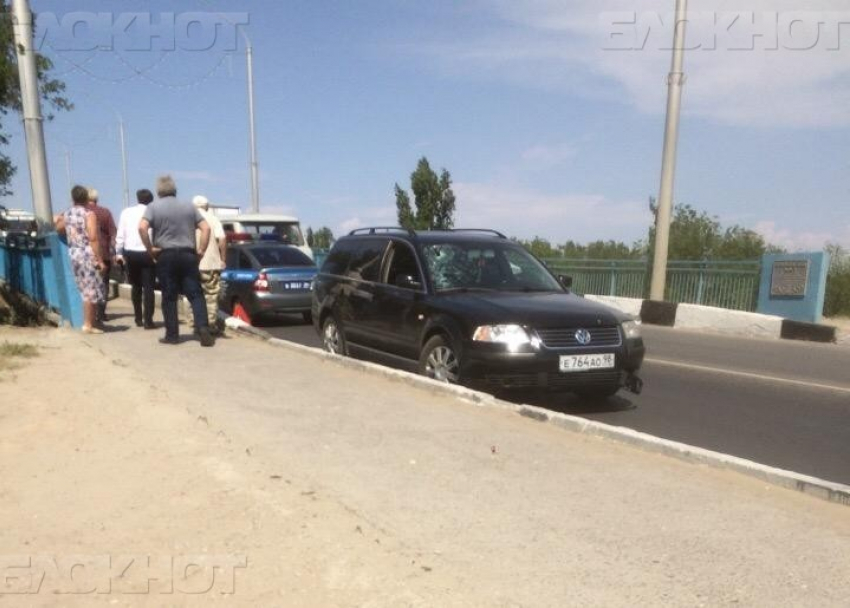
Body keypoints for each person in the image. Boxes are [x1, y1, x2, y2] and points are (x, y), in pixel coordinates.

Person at [138, 175, 215, 347]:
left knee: (169, 295)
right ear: (175, 189)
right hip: (188, 254)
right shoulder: (189, 206)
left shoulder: (152, 207)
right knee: (195, 294)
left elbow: (142, 227)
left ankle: (172, 335)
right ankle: (203, 329)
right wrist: (201, 251)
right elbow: (206, 228)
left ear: (158, 191)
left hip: (165, 255)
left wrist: (150, 249)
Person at [53, 185, 107, 334]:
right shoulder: (89, 214)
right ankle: (88, 324)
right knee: (91, 289)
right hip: (87, 254)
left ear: (72, 198)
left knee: (85, 288)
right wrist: (100, 260)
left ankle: (90, 322)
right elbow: (93, 237)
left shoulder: (68, 214)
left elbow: (58, 228)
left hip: (74, 254)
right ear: (86, 199)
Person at [116, 189, 156, 328]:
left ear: (137, 198)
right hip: (148, 252)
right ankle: (148, 321)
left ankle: (138, 318)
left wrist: (119, 253)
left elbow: (120, 234)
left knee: (136, 286)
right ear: (151, 200)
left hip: (130, 252)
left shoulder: (126, 212)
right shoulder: (153, 212)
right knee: (149, 287)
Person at [192, 195, 227, 334]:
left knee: (193, 295)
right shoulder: (213, 219)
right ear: (207, 206)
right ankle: (210, 326)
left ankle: (195, 325)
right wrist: (223, 259)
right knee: (211, 296)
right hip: (211, 263)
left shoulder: (189, 219)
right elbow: (222, 240)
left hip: (192, 264)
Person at [87, 188, 116, 327]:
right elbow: (112, 233)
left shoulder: (81, 212)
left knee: (87, 284)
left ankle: (89, 314)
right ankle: (101, 312)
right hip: (103, 253)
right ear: (96, 198)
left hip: (86, 254)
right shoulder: (105, 212)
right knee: (103, 284)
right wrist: (113, 252)